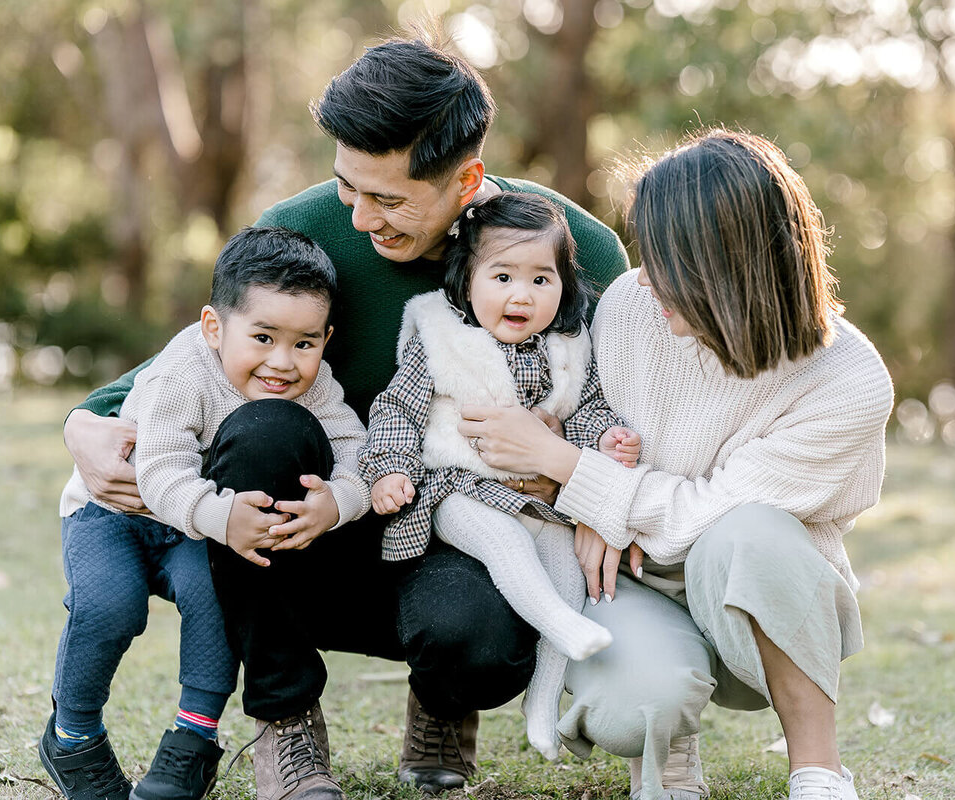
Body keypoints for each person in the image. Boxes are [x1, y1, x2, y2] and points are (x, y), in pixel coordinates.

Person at [58, 31, 628, 800]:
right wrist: (88, 417)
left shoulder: (573, 247)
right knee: (264, 430)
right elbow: (215, 347)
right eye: (347, 188)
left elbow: (621, 403)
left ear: (468, 180)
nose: (359, 218)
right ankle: (286, 726)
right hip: (308, 525)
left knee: (481, 644)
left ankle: (443, 698)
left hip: (453, 523)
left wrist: (591, 488)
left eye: (388, 199)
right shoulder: (303, 224)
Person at [454, 128, 895, 800]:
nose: (647, 275)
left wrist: (577, 476)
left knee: (749, 528)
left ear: (729, 264)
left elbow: (709, 511)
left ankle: (818, 769)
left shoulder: (849, 381)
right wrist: (579, 473)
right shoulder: (633, 306)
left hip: (757, 599)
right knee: (635, 706)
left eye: (668, 259)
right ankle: (668, 764)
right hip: (627, 574)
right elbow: (589, 423)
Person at [40, 226, 368, 800]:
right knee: (108, 607)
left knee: (215, 597)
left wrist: (337, 501)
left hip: (196, 522)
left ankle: (193, 742)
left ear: (326, 339)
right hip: (116, 513)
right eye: (262, 337)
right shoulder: (181, 375)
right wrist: (223, 519)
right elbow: (160, 473)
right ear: (214, 327)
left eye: (305, 343)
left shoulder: (315, 385)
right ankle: (72, 736)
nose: (283, 363)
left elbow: (357, 452)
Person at [360, 192, 641, 760]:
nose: (522, 295)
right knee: (502, 539)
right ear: (467, 280)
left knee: (567, 565)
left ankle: (542, 705)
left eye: (542, 279)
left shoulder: (569, 346)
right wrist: (389, 470)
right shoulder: (441, 338)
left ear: (564, 286)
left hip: (539, 499)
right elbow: (397, 410)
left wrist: (608, 441)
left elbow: (585, 411)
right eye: (503, 276)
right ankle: (560, 626)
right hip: (456, 488)